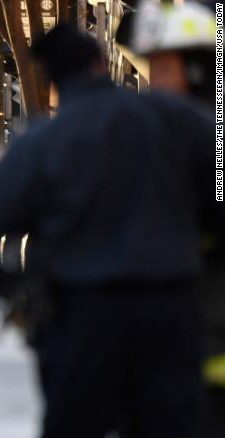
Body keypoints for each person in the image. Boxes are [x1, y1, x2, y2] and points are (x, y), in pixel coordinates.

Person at [0, 24, 217, 438]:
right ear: (100, 63)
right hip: (170, 307)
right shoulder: (172, 117)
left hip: (84, 315)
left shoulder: (44, 140)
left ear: (52, 76)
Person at [130, 2, 224, 436]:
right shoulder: (160, 131)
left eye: (165, 68)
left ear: (200, 67)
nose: (156, 82)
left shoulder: (200, 136)